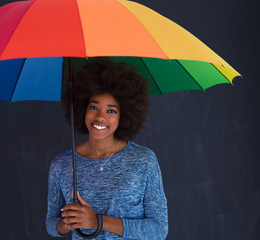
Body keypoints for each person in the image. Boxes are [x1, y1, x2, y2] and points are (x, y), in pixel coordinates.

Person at [46, 59, 168, 239]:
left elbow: (158, 230)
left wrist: (98, 222)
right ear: (82, 109)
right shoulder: (61, 165)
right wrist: (68, 222)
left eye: (111, 111)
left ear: (124, 115)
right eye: (93, 107)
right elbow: (51, 224)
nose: (100, 117)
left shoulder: (144, 161)